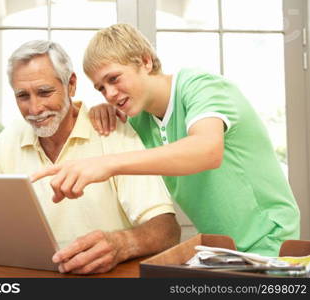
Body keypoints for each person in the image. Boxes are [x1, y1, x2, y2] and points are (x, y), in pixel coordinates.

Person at [31, 24, 300, 257]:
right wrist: (104, 110)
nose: (110, 93)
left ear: (145, 61)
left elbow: (207, 150)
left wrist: (108, 163)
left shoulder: (201, 86)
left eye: (114, 79)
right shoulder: (138, 119)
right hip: (221, 249)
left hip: (271, 242)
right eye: (101, 88)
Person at [0, 39, 180, 274]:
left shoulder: (112, 132)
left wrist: (121, 244)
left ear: (71, 85)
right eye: (23, 96)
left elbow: (167, 229)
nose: (35, 108)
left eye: (44, 92)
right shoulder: (11, 137)